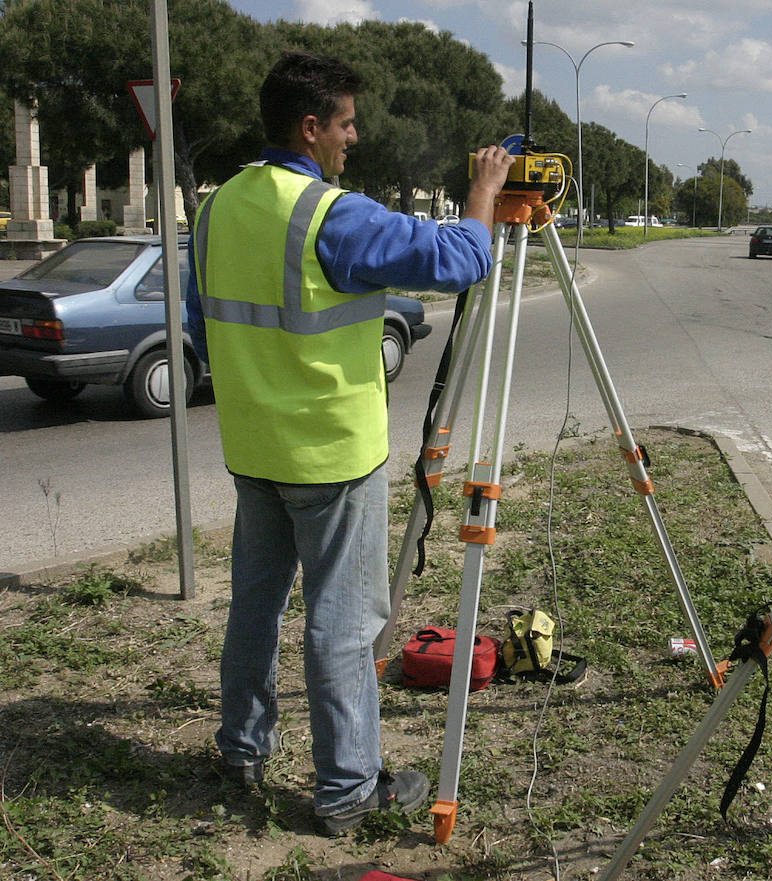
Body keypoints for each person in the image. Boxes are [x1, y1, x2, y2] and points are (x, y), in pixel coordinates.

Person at [186, 50, 515, 837]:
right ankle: (345, 790)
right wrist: (483, 194)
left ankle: (242, 749)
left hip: (254, 451)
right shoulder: (328, 213)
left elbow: (205, 330)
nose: (353, 136)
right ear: (310, 127)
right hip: (331, 457)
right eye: (344, 122)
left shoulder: (218, 208)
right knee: (343, 623)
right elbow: (460, 258)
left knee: (255, 610)